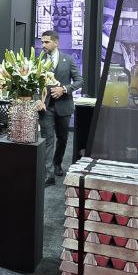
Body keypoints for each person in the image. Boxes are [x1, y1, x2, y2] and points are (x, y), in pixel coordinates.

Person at [39, 29, 82, 185]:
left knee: (62, 138)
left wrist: (63, 89)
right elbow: (35, 83)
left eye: (46, 42)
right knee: (47, 139)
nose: (43, 45)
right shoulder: (39, 61)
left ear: (56, 42)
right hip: (46, 107)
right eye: (42, 42)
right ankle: (48, 174)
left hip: (64, 106)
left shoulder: (68, 60)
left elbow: (79, 81)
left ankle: (57, 163)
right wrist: (38, 100)